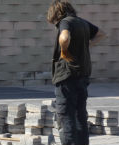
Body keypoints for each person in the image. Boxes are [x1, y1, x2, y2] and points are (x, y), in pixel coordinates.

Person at [46, 0, 106, 145]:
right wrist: (87, 44)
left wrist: (64, 50)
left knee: (66, 117)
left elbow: (65, 37)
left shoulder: (65, 22)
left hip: (67, 76)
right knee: (80, 116)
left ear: (56, 13)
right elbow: (101, 34)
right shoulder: (82, 22)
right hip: (82, 74)